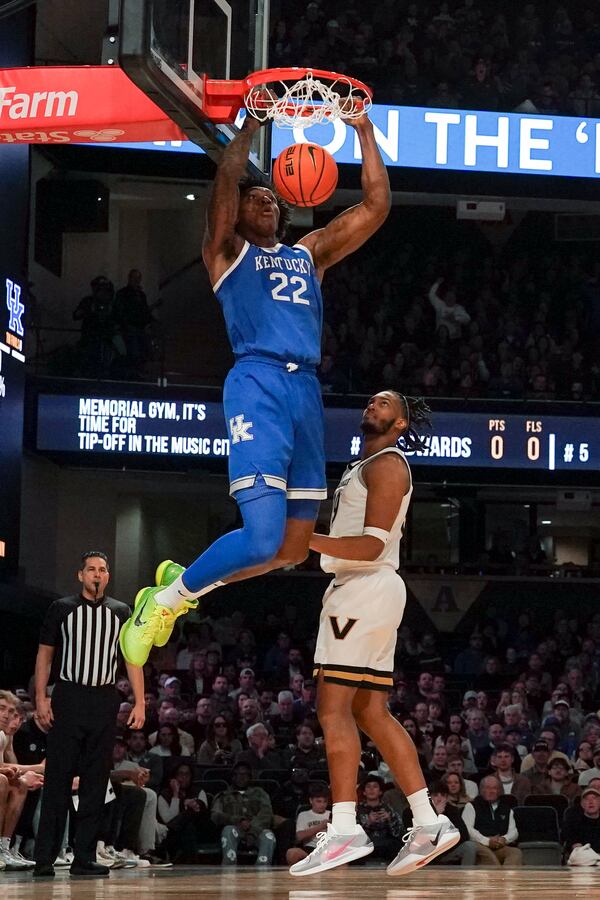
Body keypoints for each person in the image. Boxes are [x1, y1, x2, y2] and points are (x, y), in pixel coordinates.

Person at [119, 104, 391, 668]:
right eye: (255, 196)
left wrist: (363, 130)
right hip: (258, 382)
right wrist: (250, 125)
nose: (266, 199)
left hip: (306, 391)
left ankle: (185, 581)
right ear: (236, 213)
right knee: (263, 538)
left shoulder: (308, 254)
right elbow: (225, 174)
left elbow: (375, 206)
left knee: (290, 551)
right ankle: (163, 603)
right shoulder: (225, 255)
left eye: (272, 196)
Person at [288, 391, 459, 877]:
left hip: (365, 586)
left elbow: (371, 544)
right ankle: (429, 821)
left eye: (384, 404)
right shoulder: (361, 464)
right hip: (366, 589)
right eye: (371, 400)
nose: (372, 405)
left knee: (332, 707)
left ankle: (343, 828)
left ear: (401, 423)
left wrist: (304, 539)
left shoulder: (387, 464)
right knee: (370, 710)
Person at [33, 551, 144, 879]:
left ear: (108, 576)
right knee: (58, 779)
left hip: (104, 699)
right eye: (92, 569)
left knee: (96, 780)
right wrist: (41, 697)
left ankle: (84, 856)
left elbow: (133, 659)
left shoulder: (121, 612)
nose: (97, 574)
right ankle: (44, 858)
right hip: (69, 696)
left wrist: (140, 702)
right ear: (80, 575)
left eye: (103, 570)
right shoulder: (62, 608)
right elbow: (45, 655)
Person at [0, 693, 44, 870]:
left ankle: (5, 847)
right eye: (2, 709)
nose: (6, 715)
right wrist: (38, 768)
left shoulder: (4, 736)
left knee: (21, 784)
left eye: (10, 711)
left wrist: (21, 775)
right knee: (2, 781)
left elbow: (12, 766)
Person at [211, 762, 276, 866]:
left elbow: (266, 813)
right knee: (228, 830)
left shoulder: (260, 793)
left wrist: (252, 830)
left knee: (269, 835)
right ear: (233, 777)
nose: (242, 778)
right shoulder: (223, 796)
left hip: (257, 829)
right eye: (238, 774)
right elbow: (215, 815)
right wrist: (238, 820)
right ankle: (229, 866)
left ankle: (263, 869)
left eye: (245, 775)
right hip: (235, 829)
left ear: (250, 777)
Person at [404, 780, 477, 866]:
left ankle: (467, 878)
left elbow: (464, 835)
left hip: (446, 851)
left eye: (443, 795)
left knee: (469, 846)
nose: (439, 799)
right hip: (423, 854)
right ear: (428, 797)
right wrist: (435, 815)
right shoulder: (411, 812)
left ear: (447, 798)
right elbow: (414, 840)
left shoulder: (452, 810)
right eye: (435, 795)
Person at [462, 776, 523, 867]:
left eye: (494, 788)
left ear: (499, 790)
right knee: (490, 857)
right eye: (487, 787)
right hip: (479, 845)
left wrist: (504, 839)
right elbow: (467, 829)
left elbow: (514, 832)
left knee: (515, 852)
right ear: (481, 789)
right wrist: (487, 841)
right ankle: (499, 878)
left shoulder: (506, 809)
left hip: (499, 845)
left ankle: (508, 879)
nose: (491, 791)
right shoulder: (471, 806)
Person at [357, 776, 403, 861]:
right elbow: (353, 834)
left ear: (380, 792)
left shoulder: (388, 808)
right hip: (366, 844)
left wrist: (390, 819)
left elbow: (399, 832)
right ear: (364, 792)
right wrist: (368, 822)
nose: (371, 789)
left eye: (375, 786)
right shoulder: (358, 809)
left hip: (385, 844)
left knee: (396, 845)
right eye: (368, 787)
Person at [285, 785, 331, 867]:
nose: (322, 805)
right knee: (291, 853)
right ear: (311, 800)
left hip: (328, 849)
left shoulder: (331, 814)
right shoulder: (304, 815)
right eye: (319, 801)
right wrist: (321, 827)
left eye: (325, 801)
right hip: (310, 849)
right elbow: (299, 837)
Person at [564, 785, 600, 865]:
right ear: (582, 804)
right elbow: (576, 848)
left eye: (594, 798)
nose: (591, 802)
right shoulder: (574, 822)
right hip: (583, 862)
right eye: (587, 799)